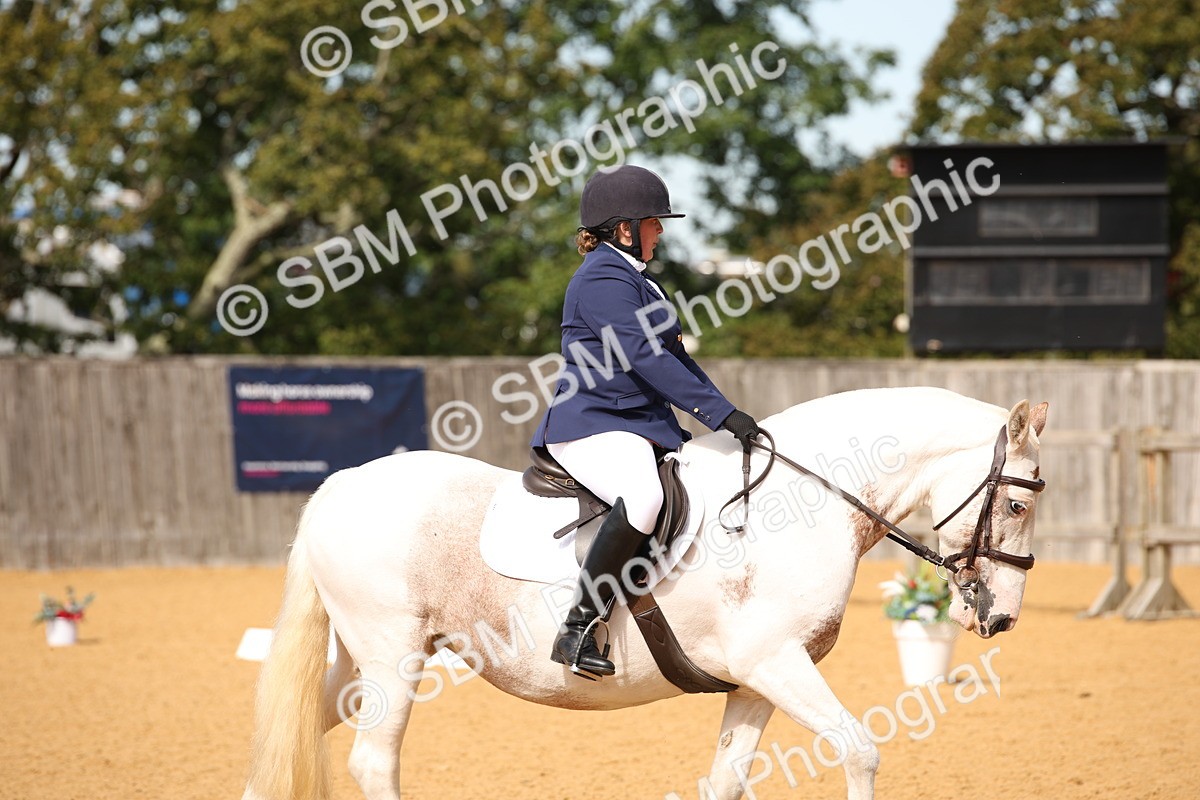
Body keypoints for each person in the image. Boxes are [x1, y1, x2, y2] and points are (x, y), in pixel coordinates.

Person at [530, 164, 760, 678]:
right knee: (646, 497)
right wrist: (720, 416)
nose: (662, 230)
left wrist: (728, 415)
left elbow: (675, 359)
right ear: (625, 229)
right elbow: (644, 358)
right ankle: (577, 627)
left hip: (634, 423)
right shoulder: (602, 279)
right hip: (593, 424)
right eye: (654, 221)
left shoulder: (640, 282)